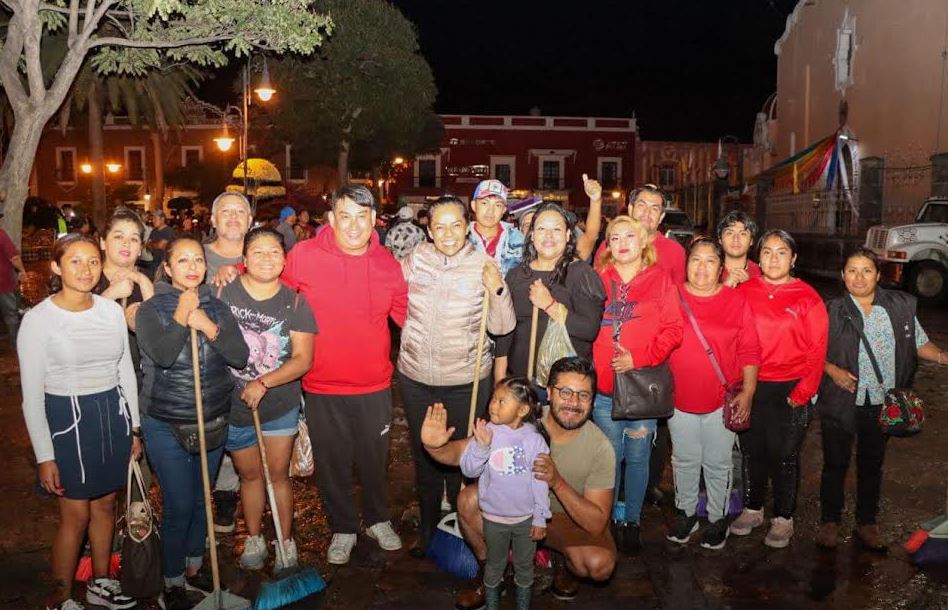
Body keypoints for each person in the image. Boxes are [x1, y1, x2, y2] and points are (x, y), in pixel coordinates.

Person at [423, 357, 616, 608]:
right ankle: (490, 573)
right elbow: (461, 452)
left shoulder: (600, 447)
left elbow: (597, 522)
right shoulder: (522, 418)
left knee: (598, 565)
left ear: (593, 400)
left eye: (583, 395)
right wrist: (435, 446)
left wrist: (557, 482)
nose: (574, 403)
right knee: (468, 500)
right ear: (549, 392)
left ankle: (562, 564)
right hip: (515, 510)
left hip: (567, 519)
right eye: (565, 392)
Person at [282, 185, 408, 565]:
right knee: (332, 461)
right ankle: (342, 526)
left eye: (362, 216)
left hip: (373, 384)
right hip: (320, 382)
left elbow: (407, 315)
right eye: (346, 216)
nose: (354, 225)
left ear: (374, 220)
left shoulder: (388, 263)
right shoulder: (303, 255)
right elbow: (272, 289)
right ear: (332, 219)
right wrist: (232, 275)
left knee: (374, 459)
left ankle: (376, 518)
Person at [18, 234, 140, 610]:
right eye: (75, 261)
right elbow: (32, 395)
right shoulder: (39, 320)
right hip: (66, 420)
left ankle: (101, 583)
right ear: (56, 267)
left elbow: (125, 371)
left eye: (92, 261)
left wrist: (134, 427)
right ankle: (61, 597)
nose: (86, 269)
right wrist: (44, 455)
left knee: (105, 505)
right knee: (74, 515)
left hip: (111, 415)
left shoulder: (109, 312)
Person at [398, 195, 516, 555]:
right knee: (425, 453)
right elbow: (380, 284)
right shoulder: (415, 260)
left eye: (455, 225)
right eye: (439, 227)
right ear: (429, 231)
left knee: (463, 454)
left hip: (466, 378)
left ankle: (464, 524)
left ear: (467, 227)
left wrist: (497, 288)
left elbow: (502, 325)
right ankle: (431, 528)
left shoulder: (485, 263)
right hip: (416, 375)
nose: (448, 233)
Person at [135, 237, 248, 610]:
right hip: (166, 422)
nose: (191, 266)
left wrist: (207, 324)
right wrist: (184, 317)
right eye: (181, 260)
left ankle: (197, 567)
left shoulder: (217, 306)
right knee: (180, 502)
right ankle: (172, 581)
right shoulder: (151, 309)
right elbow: (164, 356)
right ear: (167, 268)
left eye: (198, 259)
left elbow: (239, 355)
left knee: (202, 498)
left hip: (212, 418)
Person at [816, 247, 947, 550]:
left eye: (866, 271)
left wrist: (942, 357)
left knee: (871, 465)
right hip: (840, 399)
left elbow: (919, 342)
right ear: (842, 275)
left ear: (877, 275)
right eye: (852, 270)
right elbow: (809, 351)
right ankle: (830, 522)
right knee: (835, 463)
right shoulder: (830, 310)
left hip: (881, 402)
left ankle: (866, 523)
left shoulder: (898, 307)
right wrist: (832, 369)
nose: (859, 277)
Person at [218, 227, 317, 570]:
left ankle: (285, 541)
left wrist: (263, 382)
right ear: (243, 260)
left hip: (278, 404)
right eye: (257, 252)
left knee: (278, 475)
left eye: (274, 252)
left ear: (284, 259)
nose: (266, 258)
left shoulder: (295, 302)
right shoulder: (223, 295)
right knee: (249, 475)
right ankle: (254, 538)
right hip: (233, 405)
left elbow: (303, 359)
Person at [590, 215, 683, 553]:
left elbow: (674, 329)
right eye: (615, 237)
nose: (623, 242)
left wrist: (639, 357)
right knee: (609, 459)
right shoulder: (599, 278)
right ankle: (609, 518)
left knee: (639, 456)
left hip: (643, 385)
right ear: (608, 245)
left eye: (630, 235)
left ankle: (632, 520)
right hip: (603, 387)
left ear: (644, 241)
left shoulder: (660, 280)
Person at [732, 229, 828, 548]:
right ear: (758, 258)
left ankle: (784, 516)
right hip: (751, 385)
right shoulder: (744, 291)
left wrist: (802, 392)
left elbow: (817, 350)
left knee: (784, 454)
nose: (774, 258)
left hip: (791, 387)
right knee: (752, 451)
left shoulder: (807, 297)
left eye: (781, 252)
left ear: (794, 258)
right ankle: (753, 507)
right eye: (768, 252)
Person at [666, 237, 760, 550]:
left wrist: (747, 393)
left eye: (710, 261)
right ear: (685, 265)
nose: (702, 267)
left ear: (721, 268)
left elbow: (749, 350)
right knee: (684, 460)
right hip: (678, 401)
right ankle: (686, 513)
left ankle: (718, 517)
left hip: (722, 400)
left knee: (719, 462)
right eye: (696, 260)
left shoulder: (736, 301)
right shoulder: (671, 296)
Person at [460, 377, 551, 610]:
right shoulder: (487, 432)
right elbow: (469, 469)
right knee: (493, 565)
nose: (493, 405)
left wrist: (541, 517)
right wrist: (481, 447)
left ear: (522, 409)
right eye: (493, 398)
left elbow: (540, 482)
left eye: (502, 401)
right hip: (493, 518)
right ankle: (492, 605)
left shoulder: (534, 441)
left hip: (525, 520)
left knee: (524, 566)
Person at [494, 203, 606, 387]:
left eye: (556, 229)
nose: (548, 235)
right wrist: (500, 376)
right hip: (521, 382)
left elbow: (589, 330)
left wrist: (550, 305)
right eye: (541, 229)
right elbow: (505, 331)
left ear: (568, 235)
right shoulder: (516, 275)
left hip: (563, 387)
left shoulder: (582, 274)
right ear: (532, 235)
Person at [202, 191, 254, 533]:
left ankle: (228, 493)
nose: (234, 217)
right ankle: (200, 502)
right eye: (226, 212)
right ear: (213, 219)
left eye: (241, 212)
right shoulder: (196, 256)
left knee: (242, 430)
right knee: (210, 430)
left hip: (253, 363)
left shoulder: (263, 255)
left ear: (251, 221)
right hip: (206, 362)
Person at [95, 208, 155, 373]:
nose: (126, 243)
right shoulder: (89, 280)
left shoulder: (151, 280)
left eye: (134, 239)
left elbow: (160, 336)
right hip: (100, 374)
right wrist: (110, 295)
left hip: (142, 377)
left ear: (140, 248)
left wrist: (144, 283)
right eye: (118, 236)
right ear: (103, 242)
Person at [467, 179, 525, 276]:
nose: (490, 211)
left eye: (498, 205)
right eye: (484, 203)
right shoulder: (462, 237)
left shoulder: (516, 239)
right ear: (473, 205)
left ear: (504, 209)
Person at [0, 212, 28, 345]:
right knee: (11, 313)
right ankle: (15, 343)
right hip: (3, 281)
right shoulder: (1, 235)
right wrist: (22, 271)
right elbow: (14, 258)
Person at [716, 210, 761, 288]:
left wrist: (750, 287)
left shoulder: (762, 273)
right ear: (720, 239)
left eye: (743, 233)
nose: (736, 239)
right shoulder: (710, 269)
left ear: (751, 241)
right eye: (729, 233)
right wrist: (725, 288)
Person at [144, 209, 175, 276]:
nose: (153, 221)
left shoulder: (168, 231)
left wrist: (152, 244)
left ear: (162, 219)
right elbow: (147, 246)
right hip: (154, 264)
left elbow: (161, 245)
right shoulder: (153, 231)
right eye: (152, 218)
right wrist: (155, 244)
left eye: (155, 218)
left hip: (164, 266)